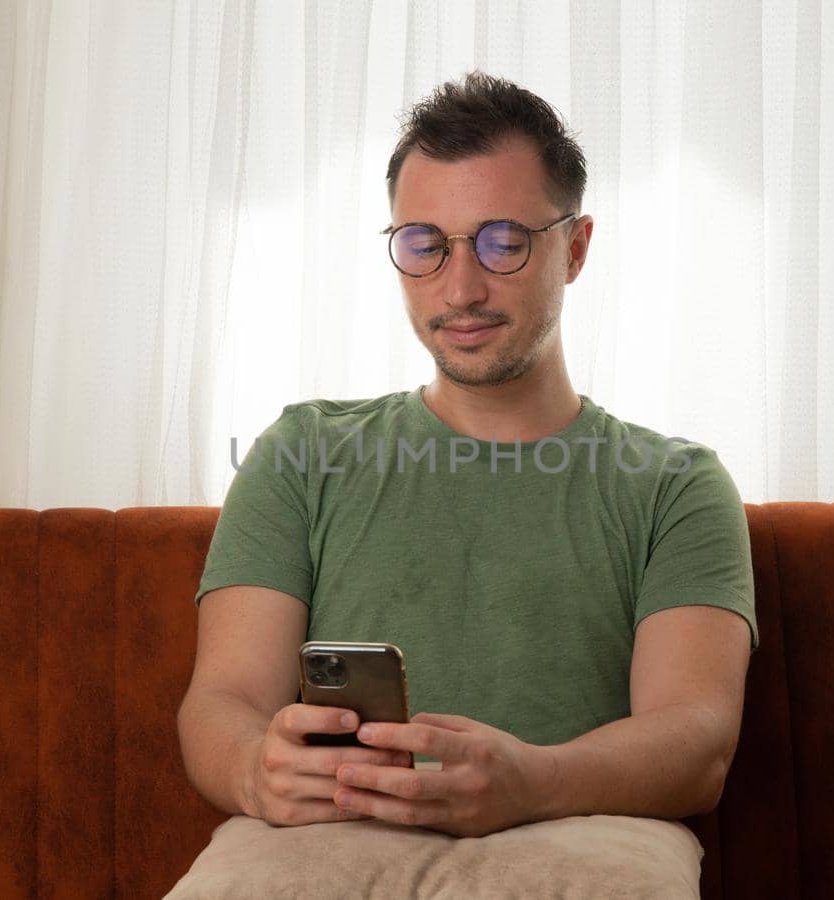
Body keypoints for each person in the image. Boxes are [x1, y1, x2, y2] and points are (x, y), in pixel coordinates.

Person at [176, 71, 755, 848]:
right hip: (335, 849)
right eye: (425, 245)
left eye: (503, 242)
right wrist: (255, 767)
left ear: (575, 249)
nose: (461, 287)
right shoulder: (300, 453)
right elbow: (221, 700)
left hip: (572, 857)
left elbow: (697, 744)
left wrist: (531, 783)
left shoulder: (676, 487)